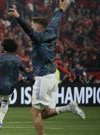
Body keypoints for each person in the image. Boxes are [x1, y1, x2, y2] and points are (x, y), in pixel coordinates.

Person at [8, 0, 85, 135]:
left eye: (33, 26)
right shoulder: (51, 31)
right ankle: (68, 107)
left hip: (43, 77)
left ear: (38, 28)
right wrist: (61, 9)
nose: (32, 28)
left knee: (35, 112)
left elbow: (28, 31)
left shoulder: (39, 37)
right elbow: (55, 21)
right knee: (44, 113)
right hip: (52, 77)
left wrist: (18, 17)